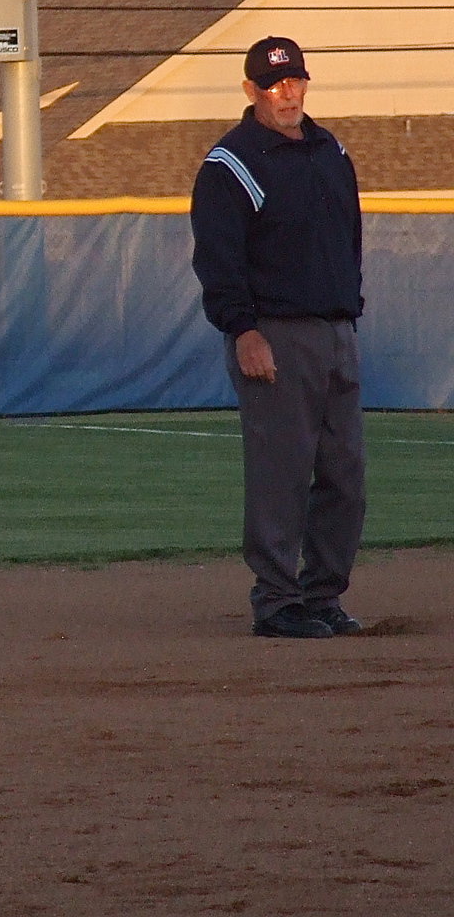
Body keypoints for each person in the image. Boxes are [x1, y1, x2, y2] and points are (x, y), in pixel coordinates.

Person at [190, 36, 366, 639]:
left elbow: (350, 237)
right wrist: (243, 330)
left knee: (345, 476)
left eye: (294, 80)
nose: (286, 92)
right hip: (275, 335)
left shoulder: (329, 150)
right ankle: (276, 599)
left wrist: (350, 311)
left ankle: (322, 595)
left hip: (336, 328)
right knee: (281, 473)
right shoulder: (232, 162)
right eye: (272, 84)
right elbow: (219, 258)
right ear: (250, 91)